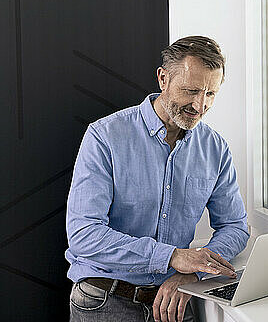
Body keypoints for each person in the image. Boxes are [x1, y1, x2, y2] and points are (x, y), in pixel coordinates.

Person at [65, 36, 249, 322]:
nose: (200, 106)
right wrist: (172, 256)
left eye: (210, 94)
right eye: (190, 91)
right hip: (106, 302)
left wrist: (194, 273)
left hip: (176, 303)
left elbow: (235, 226)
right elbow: (83, 234)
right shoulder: (105, 137)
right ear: (163, 79)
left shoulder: (215, 148)